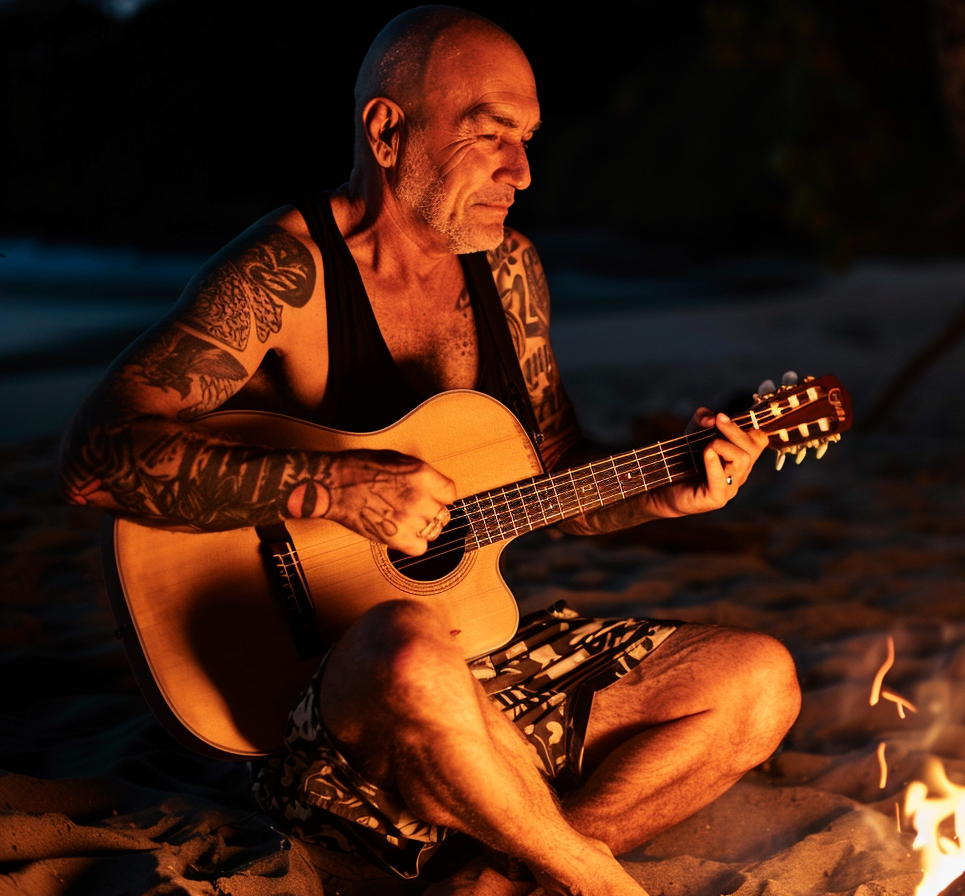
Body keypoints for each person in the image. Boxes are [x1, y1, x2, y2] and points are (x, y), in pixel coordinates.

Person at [58, 6, 801, 895]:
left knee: (761, 679)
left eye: (525, 140)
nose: (521, 172)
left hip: (486, 671)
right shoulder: (284, 274)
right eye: (491, 137)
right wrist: (333, 488)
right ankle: (589, 879)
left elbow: (554, 472)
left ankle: (505, 872)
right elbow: (97, 458)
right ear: (386, 131)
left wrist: (661, 492)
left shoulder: (512, 270)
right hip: (321, 713)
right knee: (406, 643)